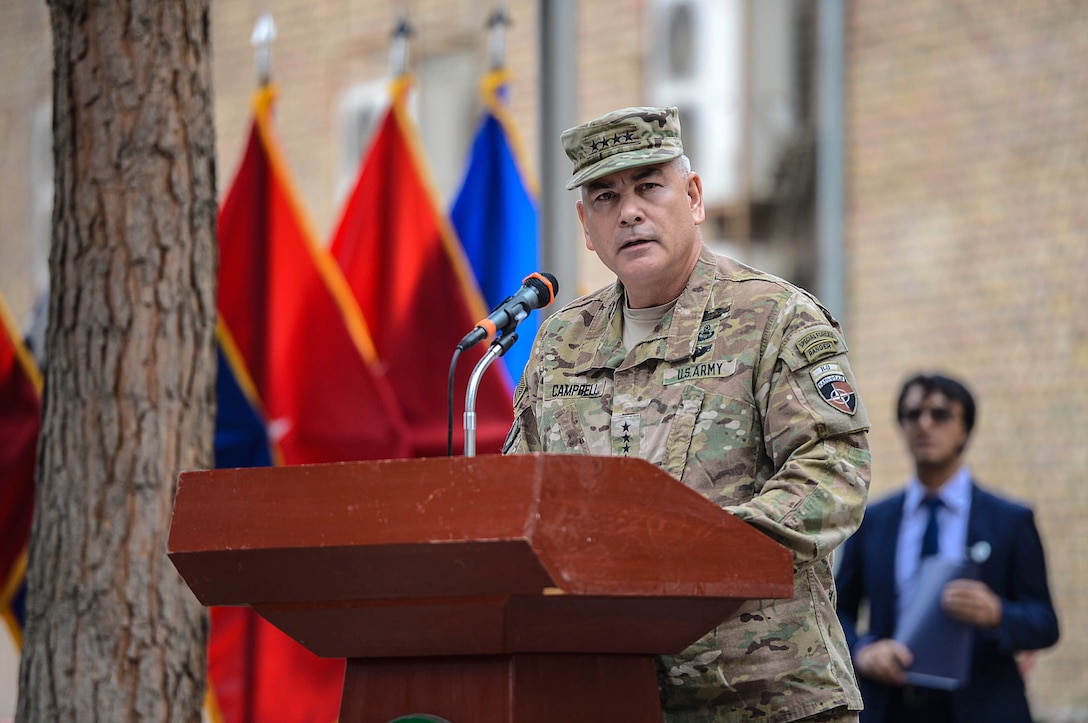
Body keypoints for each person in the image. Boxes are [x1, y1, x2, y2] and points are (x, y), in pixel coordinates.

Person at [503, 105, 871, 722]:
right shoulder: (562, 341)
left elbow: (834, 471)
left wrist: (697, 556)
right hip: (607, 695)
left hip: (765, 696)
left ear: (694, 197)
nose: (629, 211)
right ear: (586, 227)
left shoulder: (773, 317)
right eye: (605, 196)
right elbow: (521, 495)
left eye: (649, 186)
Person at [835, 373, 1060, 722]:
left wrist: (997, 613)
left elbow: (1045, 622)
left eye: (940, 414)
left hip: (983, 705)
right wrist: (862, 651)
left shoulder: (1011, 520)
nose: (924, 424)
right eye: (912, 415)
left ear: (965, 429)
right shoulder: (873, 520)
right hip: (891, 705)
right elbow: (837, 610)